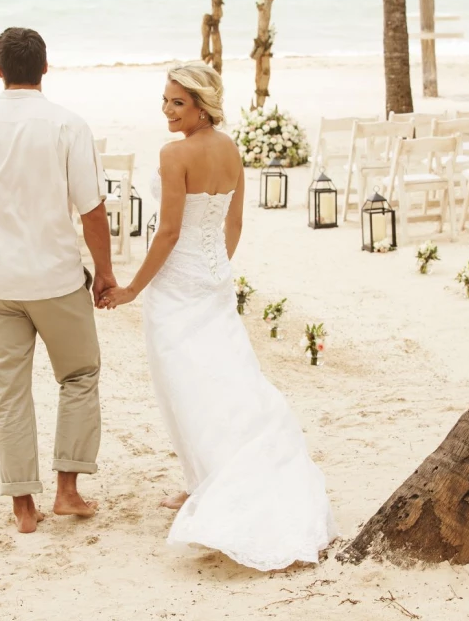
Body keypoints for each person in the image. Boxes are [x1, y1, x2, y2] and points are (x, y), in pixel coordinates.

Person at [100, 62, 338, 571]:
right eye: (164, 99)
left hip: (176, 284)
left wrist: (130, 290)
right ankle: (200, 480)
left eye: (177, 102)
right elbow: (234, 222)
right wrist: (213, 269)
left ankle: (209, 485)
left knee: (185, 384)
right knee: (223, 376)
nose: (166, 109)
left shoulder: (174, 154)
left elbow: (166, 233)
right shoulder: (230, 148)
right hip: (211, 280)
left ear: (202, 105)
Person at [0, 27, 115, 534]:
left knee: (9, 392)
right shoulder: (67, 125)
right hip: (58, 279)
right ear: (45, 68)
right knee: (79, 377)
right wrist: (104, 272)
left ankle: (23, 507)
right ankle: (67, 491)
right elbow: (93, 211)